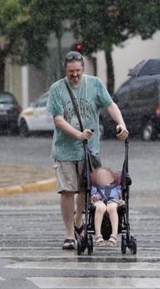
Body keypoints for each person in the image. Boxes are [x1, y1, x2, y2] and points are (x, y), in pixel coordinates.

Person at [46, 51, 129, 250]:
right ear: (65, 70)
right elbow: (58, 119)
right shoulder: (57, 89)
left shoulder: (95, 84)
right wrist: (78, 134)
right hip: (64, 150)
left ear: (83, 69)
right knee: (67, 191)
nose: (74, 75)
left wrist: (121, 124)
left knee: (86, 190)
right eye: (70, 72)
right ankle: (68, 235)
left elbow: (110, 105)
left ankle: (78, 222)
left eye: (78, 71)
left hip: (90, 150)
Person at [90, 167, 124, 247]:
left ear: (112, 178)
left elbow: (121, 197)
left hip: (113, 201)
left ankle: (114, 234)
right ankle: (98, 234)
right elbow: (92, 197)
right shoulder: (95, 188)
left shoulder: (116, 187)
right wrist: (94, 198)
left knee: (112, 207)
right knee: (100, 207)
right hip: (99, 201)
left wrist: (121, 201)